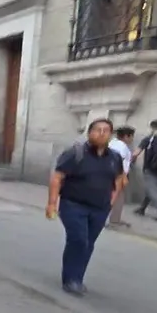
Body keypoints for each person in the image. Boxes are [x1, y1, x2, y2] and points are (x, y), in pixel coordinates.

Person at [47, 118, 124, 295]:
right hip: (73, 205)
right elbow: (57, 177)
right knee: (79, 239)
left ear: (111, 135)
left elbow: (119, 179)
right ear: (89, 133)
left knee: (88, 243)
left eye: (106, 130)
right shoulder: (75, 153)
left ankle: (77, 278)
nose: (102, 133)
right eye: (97, 130)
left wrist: (111, 201)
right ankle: (71, 280)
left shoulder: (115, 158)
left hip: (100, 208)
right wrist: (51, 203)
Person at [108, 125, 136, 227]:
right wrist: (123, 176)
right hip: (117, 175)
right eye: (131, 136)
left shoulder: (112, 143)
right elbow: (118, 161)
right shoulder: (122, 146)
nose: (132, 139)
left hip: (110, 174)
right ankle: (114, 220)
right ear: (126, 136)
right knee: (118, 197)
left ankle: (113, 219)